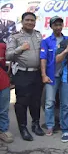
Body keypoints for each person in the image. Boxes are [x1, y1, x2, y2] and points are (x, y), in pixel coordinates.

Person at [6, 12, 45, 141]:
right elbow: (8, 55)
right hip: (23, 73)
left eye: (32, 20)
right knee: (22, 103)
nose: (30, 22)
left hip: (37, 73)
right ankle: (23, 128)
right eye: (27, 20)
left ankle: (35, 124)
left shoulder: (38, 35)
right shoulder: (15, 37)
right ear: (22, 22)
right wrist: (20, 48)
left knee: (36, 101)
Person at [40, 16, 68, 136]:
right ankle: (50, 125)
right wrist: (44, 75)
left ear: (62, 26)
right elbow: (43, 59)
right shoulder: (46, 41)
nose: (58, 27)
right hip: (52, 76)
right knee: (50, 102)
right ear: (51, 26)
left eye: (60, 25)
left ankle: (63, 124)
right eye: (55, 25)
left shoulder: (67, 40)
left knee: (65, 102)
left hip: (66, 76)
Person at [0, 39, 14, 143]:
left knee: (3, 109)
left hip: (3, 82)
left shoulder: (3, 46)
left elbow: (10, 61)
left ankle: (3, 130)